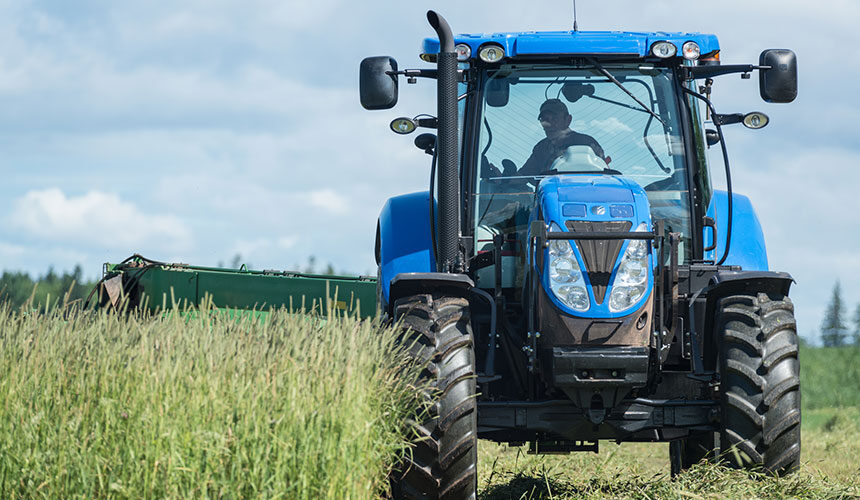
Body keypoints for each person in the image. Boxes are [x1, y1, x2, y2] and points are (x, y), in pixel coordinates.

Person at [518, 98, 608, 176]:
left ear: (568, 120)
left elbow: (604, 175)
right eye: (544, 120)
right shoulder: (541, 147)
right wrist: (506, 179)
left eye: (554, 119)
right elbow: (524, 176)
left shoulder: (586, 143)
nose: (548, 124)